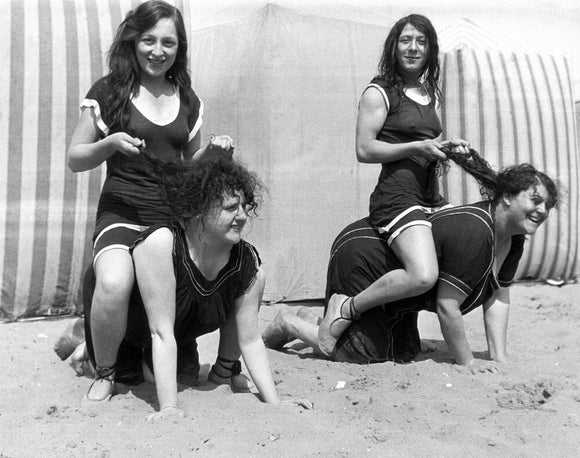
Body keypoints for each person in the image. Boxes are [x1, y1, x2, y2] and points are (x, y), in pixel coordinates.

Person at [67, 0, 233, 403]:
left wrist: (213, 152)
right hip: (122, 211)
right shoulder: (109, 92)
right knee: (113, 281)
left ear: (180, 48)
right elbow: (75, 158)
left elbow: (188, 166)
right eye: (149, 41)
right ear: (133, 40)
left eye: (168, 43)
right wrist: (109, 143)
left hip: (169, 215)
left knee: (194, 284)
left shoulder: (187, 98)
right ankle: (104, 371)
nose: (158, 51)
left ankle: (159, 354)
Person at [265, 152, 559, 370]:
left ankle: (314, 320)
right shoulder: (477, 229)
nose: (543, 210)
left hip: (399, 292)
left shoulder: (513, 239)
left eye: (548, 205)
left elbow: (498, 296)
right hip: (363, 256)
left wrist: (500, 357)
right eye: (535, 200)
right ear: (507, 197)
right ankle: (288, 322)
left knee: (404, 350)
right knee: (358, 353)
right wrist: (468, 362)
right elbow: (447, 306)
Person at [113, 157, 310, 421]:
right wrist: (169, 408)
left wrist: (275, 402)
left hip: (177, 337)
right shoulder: (161, 244)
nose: (241, 216)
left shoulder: (246, 260)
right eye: (230, 207)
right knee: (135, 375)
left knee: (186, 374)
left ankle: (222, 370)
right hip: (129, 338)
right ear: (199, 210)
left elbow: (250, 339)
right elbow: (159, 331)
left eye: (244, 206)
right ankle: (87, 347)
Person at [318, 14, 470, 354]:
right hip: (396, 196)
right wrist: (415, 147)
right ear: (394, 46)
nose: (413, 48)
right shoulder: (380, 92)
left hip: (429, 195)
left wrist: (447, 147)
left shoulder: (428, 93)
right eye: (405, 40)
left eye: (421, 41)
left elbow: (423, 143)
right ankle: (348, 308)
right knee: (423, 275)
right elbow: (364, 148)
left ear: (430, 49)